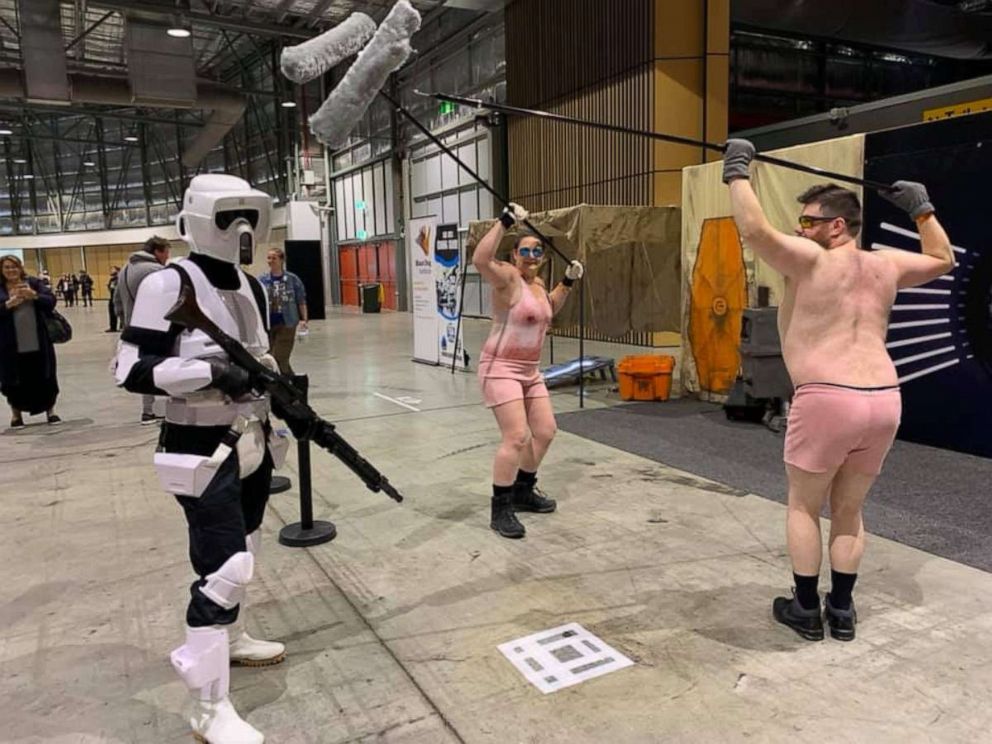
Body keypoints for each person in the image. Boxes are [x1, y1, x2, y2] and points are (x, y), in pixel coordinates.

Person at [722, 139, 955, 642]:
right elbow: (942, 257)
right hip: (884, 400)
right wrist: (922, 208)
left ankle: (806, 609)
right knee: (848, 509)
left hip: (828, 396)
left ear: (836, 226)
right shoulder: (886, 264)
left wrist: (737, 172)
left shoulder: (810, 258)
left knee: (803, 506)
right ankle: (842, 611)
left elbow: (753, 229)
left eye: (808, 221)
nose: (799, 229)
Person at [114, 174, 301, 744]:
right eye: (228, 217)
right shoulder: (166, 283)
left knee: (248, 546)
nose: (242, 229)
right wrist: (209, 372)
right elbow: (129, 370)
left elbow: (263, 358)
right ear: (195, 221)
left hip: (252, 435)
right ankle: (206, 708)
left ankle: (233, 640)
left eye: (250, 214)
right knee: (223, 570)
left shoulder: (254, 286)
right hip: (197, 442)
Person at [472, 203, 584, 539]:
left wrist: (567, 282)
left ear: (544, 257)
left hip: (530, 371)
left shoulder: (538, 286)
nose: (531, 256)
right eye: (525, 251)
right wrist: (504, 221)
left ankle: (523, 491)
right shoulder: (507, 277)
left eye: (537, 251)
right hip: (500, 368)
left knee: (546, 431)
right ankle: (501, 508)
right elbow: (480, 260)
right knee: (517, 437)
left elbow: (549, 307)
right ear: (515, 254)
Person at [0, 255, 61, 427]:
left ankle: (51, 411)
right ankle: (16, 415)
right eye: (6, 267)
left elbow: (51, 301)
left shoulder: (34, 283)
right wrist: (7, 305)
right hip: (10, 344)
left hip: (38, 339)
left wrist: (34, 295)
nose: (11, 270)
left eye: (14, 267)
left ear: (20, 268)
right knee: (13, 380)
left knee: (45, 376)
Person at [116, 236, 171, 424]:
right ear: (157, 251)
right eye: (166, 252)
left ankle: (147, 410)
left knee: (143, 366)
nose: (167, 257)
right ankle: (159, 409)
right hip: (155, 328)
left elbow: (116, 302)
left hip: (132, 328)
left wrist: (126, 322)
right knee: (159, 366)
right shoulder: (157, 271)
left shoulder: (124, 269)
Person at [258, 247, 307, 375]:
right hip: (268, 324)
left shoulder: (292, 279)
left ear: (281, 260)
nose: (270, 261)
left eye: (274, 258)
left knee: (279, 358)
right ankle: (291, 382)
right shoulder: (262, 280)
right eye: (269, 258)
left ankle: (287, 384)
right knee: (269, 358)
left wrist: (304, 320)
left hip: (287, 323)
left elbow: (301, 301)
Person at [105, 266, 121, 332]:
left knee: (120, 312)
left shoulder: (120, 279)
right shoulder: (112, 280)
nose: (112, 271)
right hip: (112, 298)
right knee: (111, 313)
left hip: (119, 298)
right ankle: (112, 327)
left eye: (113, 270)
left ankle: (122, 326)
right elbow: (109, 287)